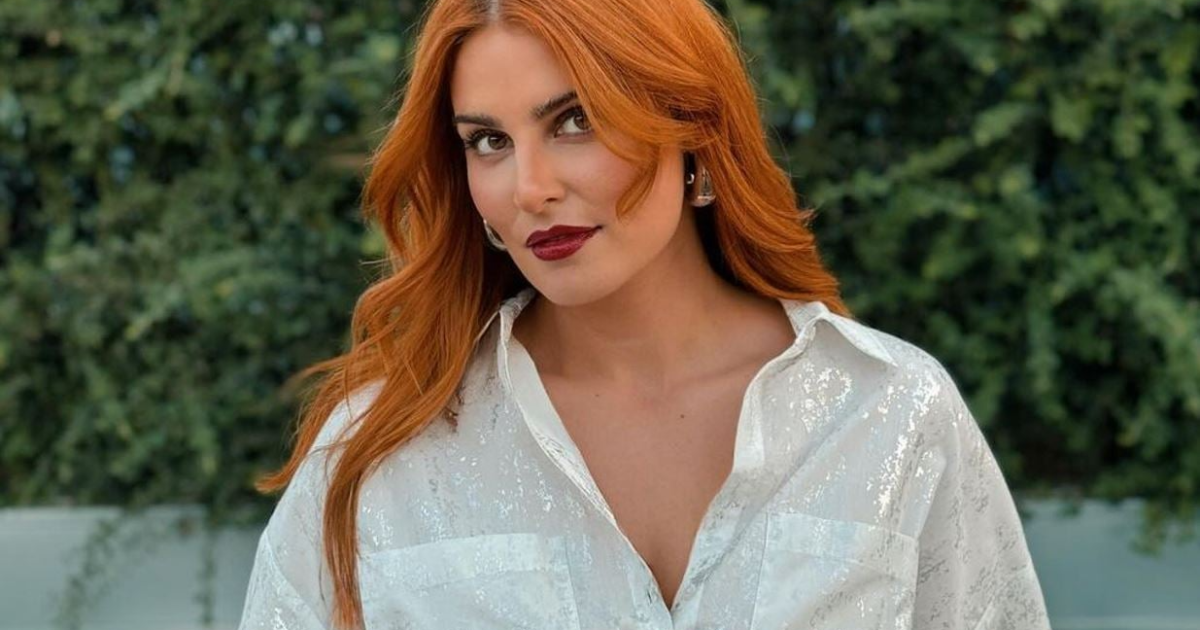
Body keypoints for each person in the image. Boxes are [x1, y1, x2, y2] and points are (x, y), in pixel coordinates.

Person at [237, 0, 1053, 628]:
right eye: (489, 142)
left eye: (576, 121)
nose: (530, 188)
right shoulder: (384, 453)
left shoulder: (889, 413)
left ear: (691, 131)